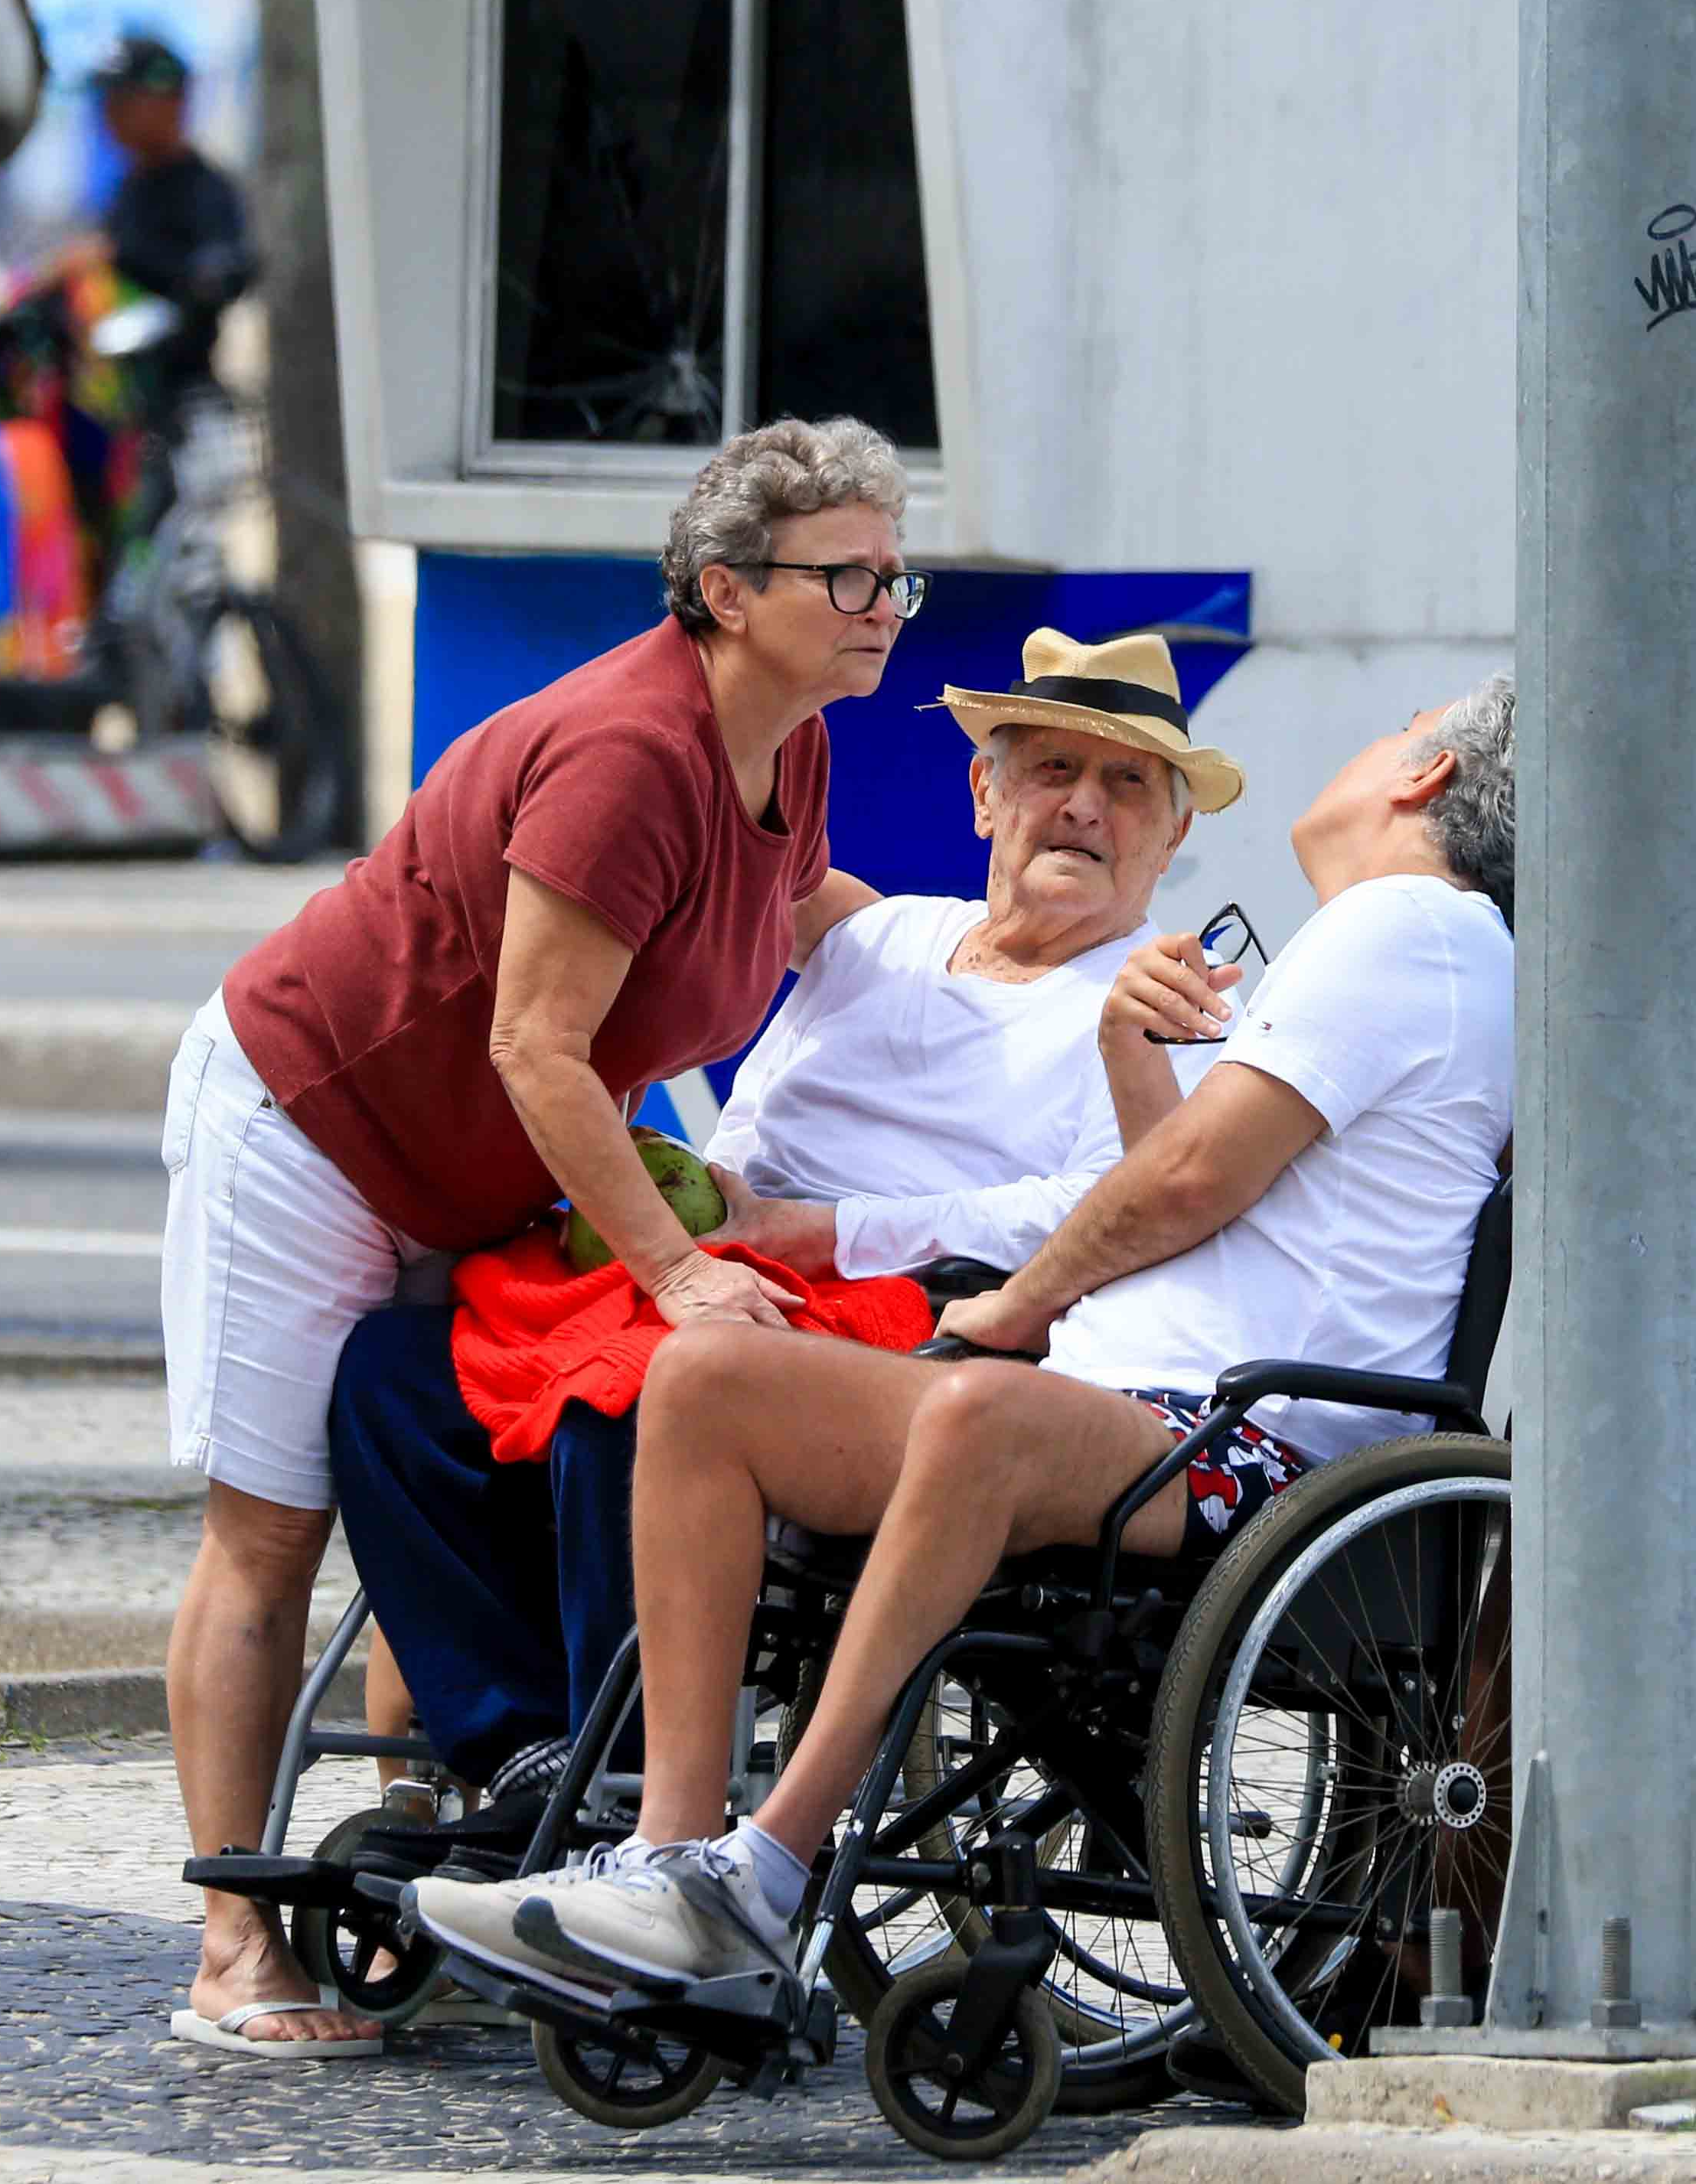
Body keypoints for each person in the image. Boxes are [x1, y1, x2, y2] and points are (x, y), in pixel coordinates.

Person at [401, 679, 1516, 2009]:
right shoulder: (1370, 942)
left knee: (983, 1412)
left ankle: (762, 1874)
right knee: (703, 1377)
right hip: (1140, 1403)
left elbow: (1181, 1191)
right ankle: (665, 1853)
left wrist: (1014, 1304)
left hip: (1261, 1437)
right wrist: (1126, 1044)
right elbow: (1187, 1177)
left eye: (1387, 733)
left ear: (1423, 778)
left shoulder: (1405, 928)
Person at [157, 416, 913, 2055]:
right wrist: (680, 1262)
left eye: (892, 570)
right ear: (724, 587)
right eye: (846, 571)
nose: (883, 601)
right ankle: (233, 1945)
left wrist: (1006, 958)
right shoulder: (629, 750)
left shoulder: (792, 736)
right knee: (273, 1524)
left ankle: (482, 1810)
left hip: (490, 1151)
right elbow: (533, 1045)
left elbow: (784, 913)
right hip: (320, 1114)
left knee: (465, 1415)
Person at [328, 631, 1248, 1789]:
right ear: (982, 793)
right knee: (395, 1371)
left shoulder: (1163, 1009)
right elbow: (683, 852)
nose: (1082, 809)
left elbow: (1102, 1213)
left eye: (1125, 785)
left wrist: (816, 1231)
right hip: (708, 1266)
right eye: (1050, 772)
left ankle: (620, 1783)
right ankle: (514, 1749)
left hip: (917, 1314)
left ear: (1173, 834)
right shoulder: (875, 934)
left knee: (640, 1397)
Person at [86, 33, 253, 405]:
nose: (110, 112)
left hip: (181, 398)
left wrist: (117, 257)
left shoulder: (207, 190)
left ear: (173, 102)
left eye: (125, 99)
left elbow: (222, 275)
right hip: (113, 400)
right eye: (109, 100)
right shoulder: (129, 188)